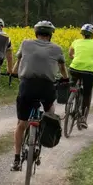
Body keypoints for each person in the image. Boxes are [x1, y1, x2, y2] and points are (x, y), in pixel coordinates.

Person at [11, 20, 68, 171]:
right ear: (50, 35)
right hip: (46, 87)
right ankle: (45, 128)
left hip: (27, 86)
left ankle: (16, 159)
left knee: (21, 124)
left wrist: (14, 73)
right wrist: (66, 79)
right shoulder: (56, 48)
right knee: (50, 111)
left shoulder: (26, 44)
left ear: (36, 33)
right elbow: (62, 67)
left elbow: (19, 60)